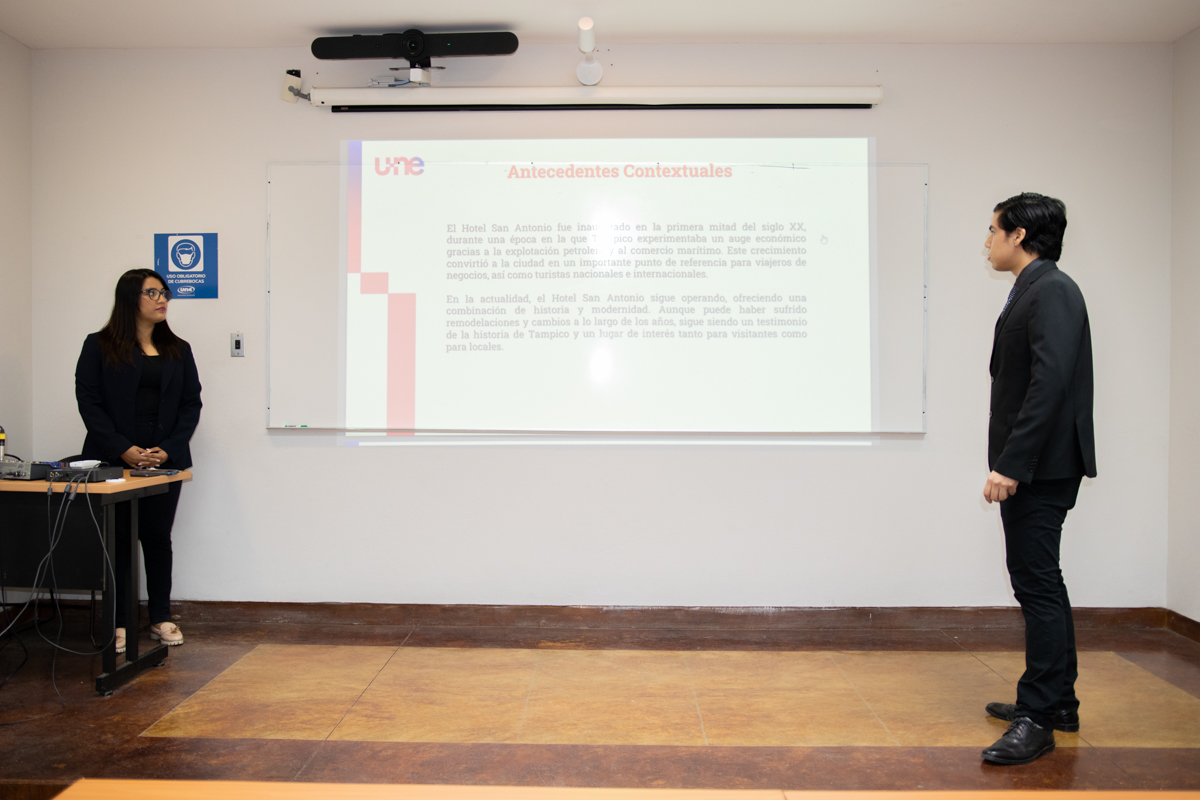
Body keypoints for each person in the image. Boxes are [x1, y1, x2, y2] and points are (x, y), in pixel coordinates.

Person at [978, 193, 1096, 765]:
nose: (987, 242)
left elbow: (1049, 385)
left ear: (1019, 235)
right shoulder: (1037, 287)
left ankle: (1039, 717)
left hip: (1040, 467)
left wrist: (1011, 464)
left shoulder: (1052, 290)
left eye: (992, 230)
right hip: (1040, 464)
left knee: (1036, 584)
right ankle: (1059, 702)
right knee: (1041, 580)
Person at [75, 269, 202, 654]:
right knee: (118, 541)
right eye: (153, 293)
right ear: (131, 298)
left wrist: (168, 449)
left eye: (164, 293)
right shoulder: (99, 345)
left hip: (165, 461)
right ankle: (119, 622)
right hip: (114, 460)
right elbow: (89, 402)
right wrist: (123, 448)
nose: (162, 299)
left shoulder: (179, 349)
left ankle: (160, 617)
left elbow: (191, 404)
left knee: (157, 538)